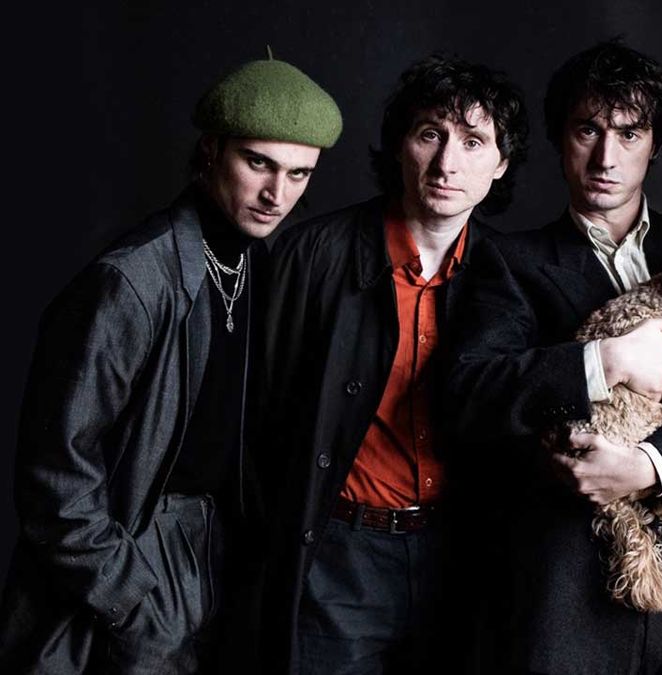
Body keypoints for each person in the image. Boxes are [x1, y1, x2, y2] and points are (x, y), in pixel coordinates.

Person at [444, 39, 662, 674]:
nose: (606, 155)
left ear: (654, 144)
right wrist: (603, 361)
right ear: (558, 139)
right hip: (572, 590)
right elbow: (472, 392)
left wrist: (656, 465)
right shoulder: (509, 262)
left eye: (629, 133)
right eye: (586, 130)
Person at [0, 55, 341, 674]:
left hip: (223, 552)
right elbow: (54, 469)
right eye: (258, 163)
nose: (276, 195)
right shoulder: (132, 281)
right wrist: (127, 593)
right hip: (142, 544)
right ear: (211, 150)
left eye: (299, 174)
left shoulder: (258, 268)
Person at [257, 55, 527, 674]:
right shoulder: (309, 257)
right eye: (430, 134)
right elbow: (259, 420)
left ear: (501, 163)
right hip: (338, 555)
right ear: (400, 145)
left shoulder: (512, 272)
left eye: (473, 141)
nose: (447, 163)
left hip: (460, 554)